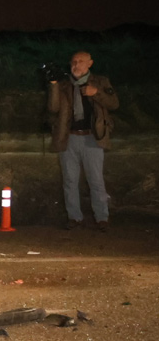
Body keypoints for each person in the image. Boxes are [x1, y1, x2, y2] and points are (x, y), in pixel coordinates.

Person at [47, 50, 118, 231]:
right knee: (70, 181)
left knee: (96, 180)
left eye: (80, 61)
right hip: (68, 137)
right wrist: (53, 84)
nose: (76, 65)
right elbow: (53, 108)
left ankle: (102, 218)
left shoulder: (100, 82)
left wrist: (96, 93)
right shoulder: (64, 85)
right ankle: (74, 217)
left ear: (90, 64)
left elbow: (114, 103)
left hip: (93, 138)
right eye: (73, 62)